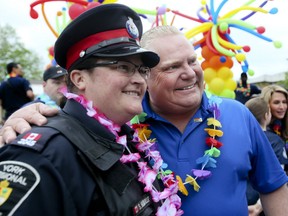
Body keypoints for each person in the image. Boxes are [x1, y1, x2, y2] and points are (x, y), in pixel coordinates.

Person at [1, 25, 288, 216]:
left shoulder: (237, 114)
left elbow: (273, 185)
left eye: (191, 61)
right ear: (148, 78)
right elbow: (76, 123)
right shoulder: (123, 127)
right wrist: (29, 119)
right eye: (172, 67)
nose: (188, 73)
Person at [0, 4, 183, 216]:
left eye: (142, 70)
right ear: (79, 79)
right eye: (123, 67)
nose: (139, 80)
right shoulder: (43, 157)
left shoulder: (127, 140)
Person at [245, 97, 288, 216]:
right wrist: (259, 206)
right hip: (263, 202)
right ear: (266, 115)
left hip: (243, 199)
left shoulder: (241, 138)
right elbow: (277, 176)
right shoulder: (275, 140)